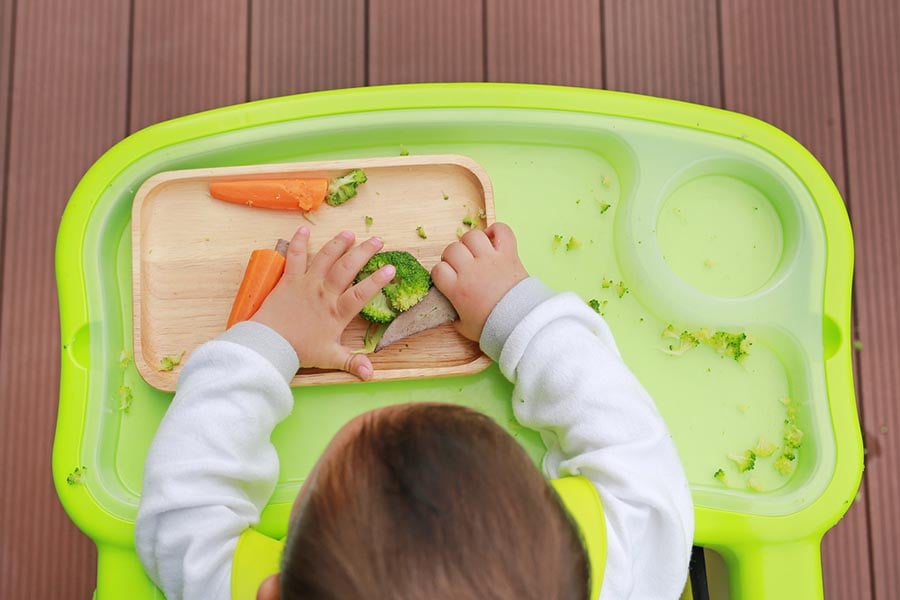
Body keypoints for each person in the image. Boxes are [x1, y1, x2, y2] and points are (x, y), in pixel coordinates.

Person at [135, 223, 693, 600]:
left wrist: (271, 340)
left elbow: (183, 511)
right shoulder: (623, 569)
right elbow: (632, 444)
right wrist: (512, 311)